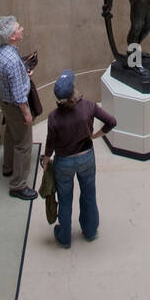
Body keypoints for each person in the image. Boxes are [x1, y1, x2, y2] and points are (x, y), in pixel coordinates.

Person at [40, 70, 117, 248]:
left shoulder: (54, 118)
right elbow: (111, 121)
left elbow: (50, 143)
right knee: (89, 195)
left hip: (64, 162)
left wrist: (45, 160)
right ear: (73, 90)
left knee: (65, 200)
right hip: (86, 159)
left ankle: (65, 238)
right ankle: (90, 231)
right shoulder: (88, 107)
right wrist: (97, 135)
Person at [0, 15, 38, 201]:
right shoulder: (12, 61)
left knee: (11, 134)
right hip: (16, 106)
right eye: (19, 28)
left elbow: (8, 79)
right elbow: (19, 95)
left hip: (5, 102)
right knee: (24, 144)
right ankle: (18, 185)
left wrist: (24, 73)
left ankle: (8, 167)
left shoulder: (1, 52)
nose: (22, 29)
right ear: (12, 36)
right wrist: (27, 114)